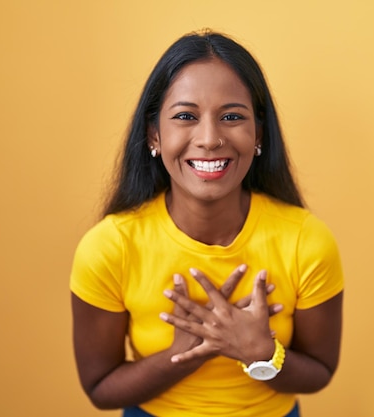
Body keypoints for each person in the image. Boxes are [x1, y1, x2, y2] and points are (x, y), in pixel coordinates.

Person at [70, 30, 344, 417]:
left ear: (258, 134)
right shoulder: (108, 247)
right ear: (154, 135)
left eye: (232, 116)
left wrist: (261, 353)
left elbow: (320, 371)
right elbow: (100, 389)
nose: (210, 138)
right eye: (185, 116)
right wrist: (186, 353)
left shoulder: (307, 241)